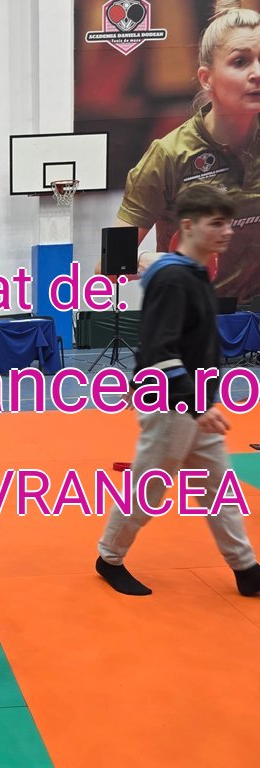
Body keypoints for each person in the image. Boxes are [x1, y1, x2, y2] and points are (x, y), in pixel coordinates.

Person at [95, 184, 260, 598]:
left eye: (228, 223)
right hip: (171, 404)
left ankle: (246, 568)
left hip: (194, 402)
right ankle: (109, 557)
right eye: (216, 223)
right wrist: (196, 404)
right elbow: (159, 349)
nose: (227, 231)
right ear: (188, 226)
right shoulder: (173, 279)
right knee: (148, 489)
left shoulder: (194, 274)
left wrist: (204, 399)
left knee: (219, 489)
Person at [108, 0, 260, 300]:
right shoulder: (168, 155)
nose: (257, 72)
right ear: (206, 78)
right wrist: (150, 261)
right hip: (191, 316)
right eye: (240, 61)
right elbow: (110, 263)